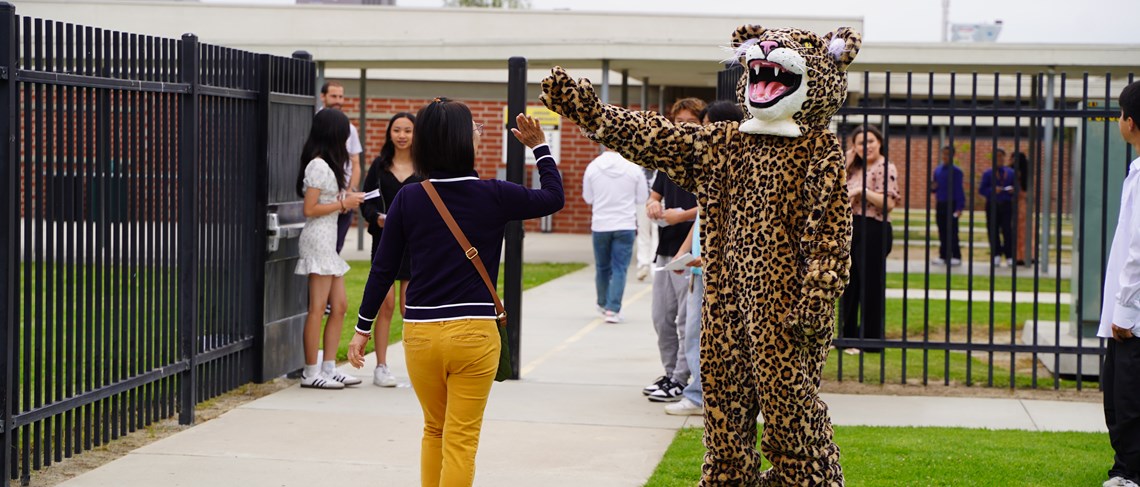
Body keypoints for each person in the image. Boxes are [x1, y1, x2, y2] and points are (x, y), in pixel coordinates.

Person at [348, 100, 563, 487]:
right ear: (463, 141)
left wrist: (362, 330)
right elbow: (553, 197)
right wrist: (540, 147)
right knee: (461, 440)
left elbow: (382, 269)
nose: (480, 132)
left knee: (434, 430)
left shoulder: (409, 198)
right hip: (475, 334)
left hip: (421, 334)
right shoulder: (494, 193)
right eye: (475, 127)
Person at [664, 99, 743, 416]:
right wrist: (684, 253)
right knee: (695, 333)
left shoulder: (737, 172)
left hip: (719, 272)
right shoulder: (713, 167)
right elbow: (703, 221)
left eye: (709, 125)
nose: (705, 133)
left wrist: (709, 258)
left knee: (713, 337)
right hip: (698, 270)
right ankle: (699, 393)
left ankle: (703, 396)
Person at [294, 109, 366, 389]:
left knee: (340, 306)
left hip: (328, 239)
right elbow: (309, 208)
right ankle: (310, 372)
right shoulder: (318, 165)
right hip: (318, 239)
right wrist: (343, 204)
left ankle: (328, 367)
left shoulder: (331, 165)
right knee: (317, 309)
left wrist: (347, 197)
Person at [642, 97, 703, 403]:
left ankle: (681, 378)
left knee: (685, 320)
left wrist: (683, 215)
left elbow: (711, 206)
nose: (683, 129)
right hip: (666, 249)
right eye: (679, 123)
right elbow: (653, 196)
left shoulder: (707, 160)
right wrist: (653, 205)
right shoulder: (667, 162)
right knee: (661, 317)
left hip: (691, 252)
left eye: (690, 123)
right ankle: (670, 374)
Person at [1099, 80, 1140, 487]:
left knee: (1124, 398)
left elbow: (1137, 250)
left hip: (1134, 315)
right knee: (1118, 391)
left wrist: (1124, 309)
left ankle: (1128, 473)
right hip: (1131, 311)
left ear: (1129, 122)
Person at [359, 112, 420, 387]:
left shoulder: (425, 167)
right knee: (386, 304)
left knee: (412, 307)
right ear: (389, 133)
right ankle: (381, 367)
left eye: (408, 130)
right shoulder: (379, 167)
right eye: (397, 130)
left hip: (416, 244)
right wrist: (378, 218)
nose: (403, 135)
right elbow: (367, 204)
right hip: (385, 241)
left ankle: (418, 367)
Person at [838, 125, 900, 355]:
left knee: (870, 285)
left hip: (875, 227)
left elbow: (889, 203)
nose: (867, 146)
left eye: (871, 141)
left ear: (880, 142)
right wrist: (847, 160)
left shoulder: (886, 167)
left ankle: (871, 340)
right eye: (861, 143)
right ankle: (848, 338)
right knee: (849, 283)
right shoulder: (854, 167)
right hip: (852, 227)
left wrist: (862, 192)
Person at [583, 148, 648, 323]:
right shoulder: (633, 168)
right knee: (620, 268)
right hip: (625, 224)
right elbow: (642, 197)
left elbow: (588, 198)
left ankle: (603, 303)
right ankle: (613, 309)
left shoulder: (593, 167)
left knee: (602, 267)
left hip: (600, 224)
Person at [318, 81, 364, 253]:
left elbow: (355, 163)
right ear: (323, 97)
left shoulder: (349, 128)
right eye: (333, 96)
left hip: (345, 199)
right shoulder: (316, 123)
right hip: (322, 198)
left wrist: (350, 191)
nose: (338, 100)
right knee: (322, 251)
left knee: (336, 249)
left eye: (341, 96)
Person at [979, 148, 1017, 268]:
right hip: (992, 204)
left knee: (1007, 230)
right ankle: (996, 255)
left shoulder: (1010, 172)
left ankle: (1009, 256)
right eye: (997, 157)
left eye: (1001, 156)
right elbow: (982, 189)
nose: (999, 159)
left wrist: (1013, 190)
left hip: (1006, 204)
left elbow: (1017, 188)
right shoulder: (988, 173)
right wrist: (992, 190)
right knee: (993, 230)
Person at [931, 144, 965, 266]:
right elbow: (934, 187)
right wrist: (933, 188)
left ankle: (956, 255)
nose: (945, 156)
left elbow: (959, 190)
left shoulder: (957, 171)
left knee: (952, 231)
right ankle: (943, 255)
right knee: (942, 230)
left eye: (948, 154)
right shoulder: (937, 170)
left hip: (952, 204)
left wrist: (960, 207)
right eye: (944, 154)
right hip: (940, 203)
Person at [634, 168, 659, 281]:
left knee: (657, 232)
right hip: (642, 202)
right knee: (643, 231)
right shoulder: (638, 169)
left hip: (658, 201)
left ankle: (654, 264)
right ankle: (643, 264)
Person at [1011, 151, 1035, 265]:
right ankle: (1029, 255)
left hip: (1017, 204)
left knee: (1018, 232)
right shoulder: (1027, 175)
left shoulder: (1014, 173)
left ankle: (1019, 256)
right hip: (1024, 206)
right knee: (1026, 231)